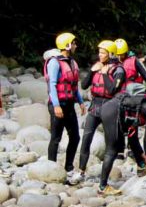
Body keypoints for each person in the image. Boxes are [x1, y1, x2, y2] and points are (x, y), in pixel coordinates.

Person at [97, 85, 146, 196]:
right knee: (112, 150)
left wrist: (143, 159)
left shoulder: (138, 109)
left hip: (109, 108)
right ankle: (102, 187)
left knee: (125, 142)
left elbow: (132, 138)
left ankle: (142, 167)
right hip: (112, 111)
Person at [77, 40, 126, 180]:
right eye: (99, 52)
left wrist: (104, 74)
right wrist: (92, 72)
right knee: (86, 138)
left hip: (109, 107)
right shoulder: (97, 66)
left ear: (111, 54)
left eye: (103, 53)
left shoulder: (119, 70)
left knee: (110, 144)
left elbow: (112, 89)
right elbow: (85, 85)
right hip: (95, 106)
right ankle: (81, 171)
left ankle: (104, 180)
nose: (100, 55)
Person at [46, 32, 86, 176]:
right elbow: (52, 85)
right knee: (56, 138)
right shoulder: (54, 63)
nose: (75, 45)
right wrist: (56, 105)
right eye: (74, 43)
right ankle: (51, 167)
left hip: (69, 105)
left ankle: (68, 167)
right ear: (67, 45)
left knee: (75, 136)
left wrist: (81, 102)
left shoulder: (72, 62)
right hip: (57, 105)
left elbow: (73, 86)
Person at [116, 38, 146, 156]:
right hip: (120, 95)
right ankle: (120, 148)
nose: (119, 57)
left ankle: (131, 147)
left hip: (135, 96)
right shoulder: (112, 62)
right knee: (119, 121)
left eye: (121, 55)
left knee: (133, 119)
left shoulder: (134, 61)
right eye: (117, 55)